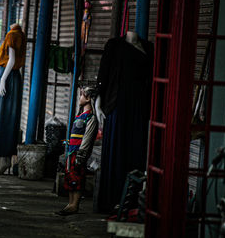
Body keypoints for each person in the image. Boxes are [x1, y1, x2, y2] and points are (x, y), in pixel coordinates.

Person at [95, 31, 153, 213]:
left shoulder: (149, 47)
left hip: (140, 108)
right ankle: (112, 200)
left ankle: (132, 201)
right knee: (117, 151)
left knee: (135, 151)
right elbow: (103, 73)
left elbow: (151, 80)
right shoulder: (114, 45)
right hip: (117, 105)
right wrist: (98, 103)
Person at [56, 86, 99, 215]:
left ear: (88, 98)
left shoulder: (90, 118)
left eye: (82, 95)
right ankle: (70, 203)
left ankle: (75, 205)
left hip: (78, 153)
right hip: (71, 152)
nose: (80, 97)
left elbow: (87, 138)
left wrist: (82, 154)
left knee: (78, 178)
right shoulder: (80, 115)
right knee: (70, 178)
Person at [0, 23, 27, 174]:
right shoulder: (21, 36)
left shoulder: (12, 35)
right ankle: (4, 160)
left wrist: (3, 80)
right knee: (8, 117)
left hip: (9, 75)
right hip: (13, 76)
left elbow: (11, 60)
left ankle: (4, 161)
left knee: (4, 117)